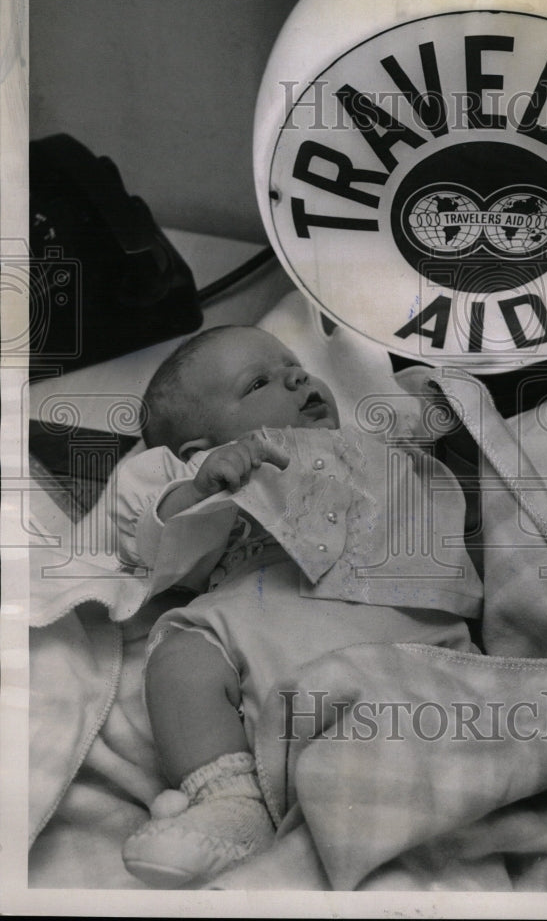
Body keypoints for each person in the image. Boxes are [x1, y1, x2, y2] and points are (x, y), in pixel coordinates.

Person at [113, 325, 483, 887]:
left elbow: (458, 503)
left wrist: (452, 431)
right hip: (265, 619)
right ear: (200, 449)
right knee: (180, 657)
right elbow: (159, 551)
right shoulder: (219, 479)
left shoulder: (378, 446)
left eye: (295, 367)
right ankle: (232, 805)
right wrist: (203, 489)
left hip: (404, 631)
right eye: (258, 381)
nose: (297, 376)